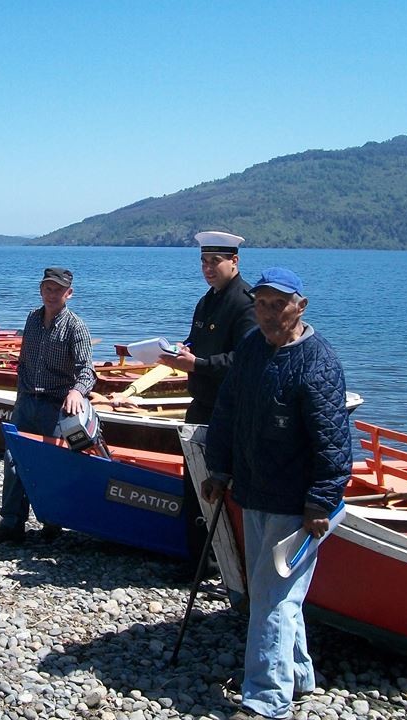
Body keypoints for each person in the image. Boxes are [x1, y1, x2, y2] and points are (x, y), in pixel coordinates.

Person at [202, 267, 352, 720]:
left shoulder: (318, 362)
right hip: (253, 492)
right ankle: (300, 674)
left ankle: (266, 699)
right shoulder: (250, 350)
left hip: (296, 503)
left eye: (278, 305)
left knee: (271, 598)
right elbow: (227, 412)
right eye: (261, 305)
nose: (268, 314)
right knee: (276, 595)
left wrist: (322, 500)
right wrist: (219, 468)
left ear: (299, 307)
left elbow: (333, 441)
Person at [156, 230, 257, 566]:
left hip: (226, 412)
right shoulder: (208, 300)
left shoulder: (245, 302)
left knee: (221, 483)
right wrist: (181, 351)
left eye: (216, 261)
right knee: (194, 483)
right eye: (204, 261)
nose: (208, 267)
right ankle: (197, 558)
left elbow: (244, 361)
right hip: (199, 405)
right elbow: (195, 341)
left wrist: (196, 364)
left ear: (234, 261)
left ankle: (223, 561)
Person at [0, 267, 96, 543]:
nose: (52, 294)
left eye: (58, 289)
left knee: (52, 464)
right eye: (47, 288)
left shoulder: (75, 327)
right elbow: (24, 364)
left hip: (57, 407)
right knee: (13, 461)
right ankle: (12, 522)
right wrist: (20, 395)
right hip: (27, 401)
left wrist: (77, 393)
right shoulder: (32, 319)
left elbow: (87, 371)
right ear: (41, 289)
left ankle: (52, 525)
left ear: (69, 293)